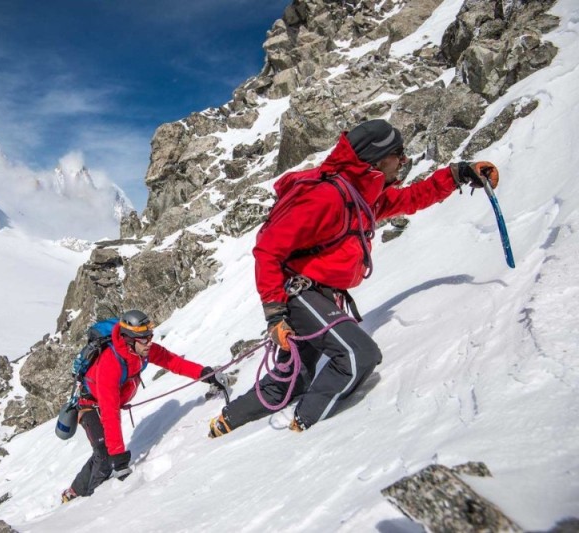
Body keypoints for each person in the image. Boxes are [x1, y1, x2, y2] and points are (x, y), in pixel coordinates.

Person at [208, 118, 500, 438]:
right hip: (300, 295)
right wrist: (275, 314)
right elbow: (268, 250)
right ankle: (301, 433)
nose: (404, 160)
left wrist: (457, 174)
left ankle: (226, 422)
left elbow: (411, 199)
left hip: (316, 294)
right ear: (376, 159)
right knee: (357, 355)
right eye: (397, 153)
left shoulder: (361, 196)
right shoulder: (327, 197)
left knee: (293, 379)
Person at [62, 309, 227, 502]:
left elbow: (172, 361)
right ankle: (89, 501)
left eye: (150, 337)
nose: (150, 342)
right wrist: (119, 458)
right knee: (105, 455)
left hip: (108, 401)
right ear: (129, 339)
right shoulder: (110, 364)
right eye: (144, 339)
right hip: (90, 405)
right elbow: (110, 413)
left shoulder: (142, 351)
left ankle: (74, 492)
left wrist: (205, 374)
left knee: (102, 453)